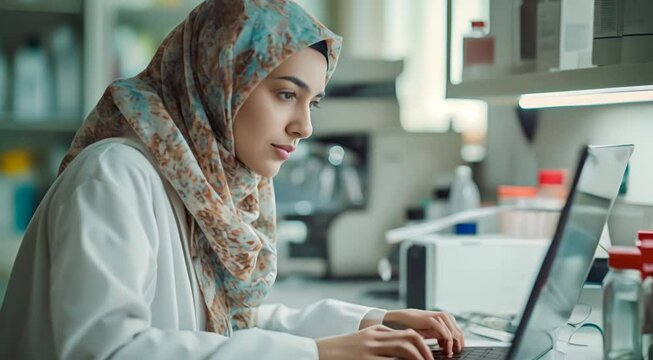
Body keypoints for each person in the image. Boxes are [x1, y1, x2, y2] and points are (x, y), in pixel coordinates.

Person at [0, 0, 464, 359]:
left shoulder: (205, 186)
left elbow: (227, 323)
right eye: (286, 94)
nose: (305, 126)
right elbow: (106, 350)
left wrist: (369, 322)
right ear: (220, 80)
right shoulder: (116, 176)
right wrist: (317, 353)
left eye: (313, 103)